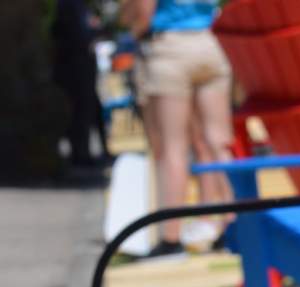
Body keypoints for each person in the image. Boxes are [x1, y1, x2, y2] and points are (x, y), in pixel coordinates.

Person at [121, 0, 233, 258]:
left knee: (172, 148)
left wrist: (133, 27)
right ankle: (230, 224)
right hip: (209, 43)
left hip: (169, 46)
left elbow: (143, 14)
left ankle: (171, 238)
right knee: (218, 143)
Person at [52, 0, 112, 169]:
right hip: (75, 68)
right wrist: (96, 32)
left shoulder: (78, 5)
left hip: (82, 66)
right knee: (80, 112)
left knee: (89, 111)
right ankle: (80, 154)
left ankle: (85, 152)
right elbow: (77, 35)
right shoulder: (69, 4)